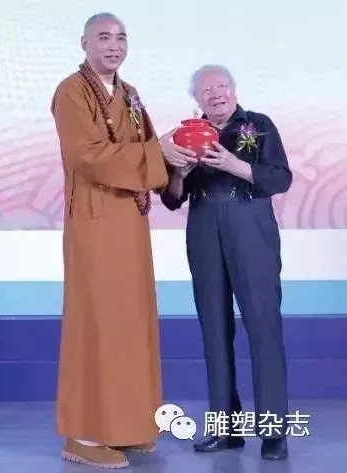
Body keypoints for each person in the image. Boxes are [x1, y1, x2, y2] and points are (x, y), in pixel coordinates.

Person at [49, 12, 169, 469]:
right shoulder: (71, 91)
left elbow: (151, 149)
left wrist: (180, 155)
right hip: (96, 218)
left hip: (130, 220)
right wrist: (159, 153)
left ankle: (127, 425)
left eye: (120, 37)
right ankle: (83, 433)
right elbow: (88, 154)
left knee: (130, 320)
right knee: (96, 320)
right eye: (103, 37)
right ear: (84, 43)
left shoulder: (130, 93)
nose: (114, 45)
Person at [159, 64, 292, 461]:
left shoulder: (259, 125)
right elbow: (172, 198)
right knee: (213, 328)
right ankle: (225, 428)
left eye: (221, 86)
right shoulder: (186, 135)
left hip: (250, 223)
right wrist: (179, 172)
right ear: (197, 99)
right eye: (206, 90)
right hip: (203, 226)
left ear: (233, 90)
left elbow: (281, 178)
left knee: (263, 324)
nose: (215, 93)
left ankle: (273, 431)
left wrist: (235, 165)